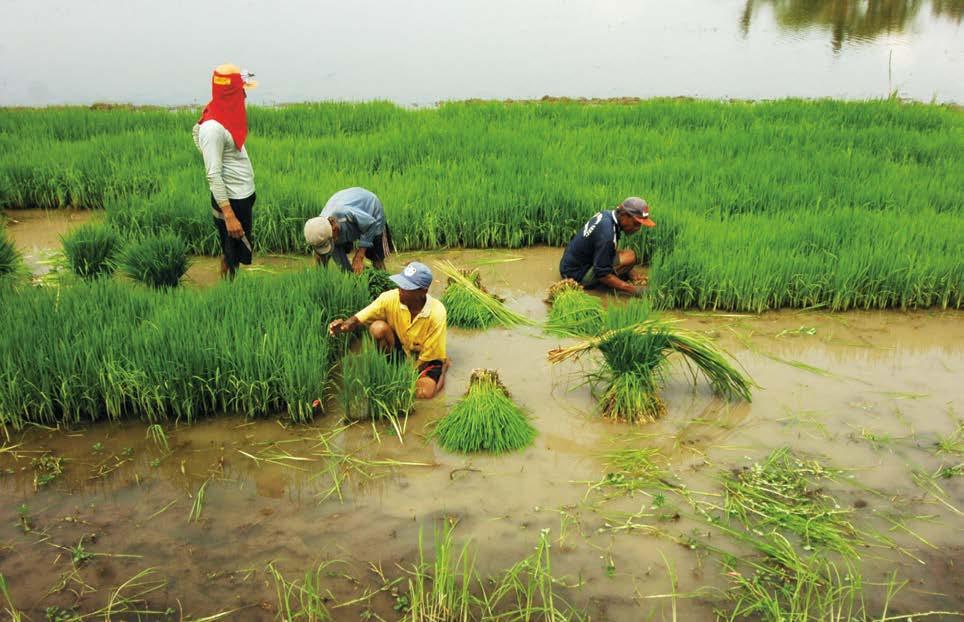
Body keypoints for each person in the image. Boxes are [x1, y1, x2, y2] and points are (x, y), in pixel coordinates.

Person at [328, 262, 448, 399]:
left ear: (423, 291)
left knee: (424, 394)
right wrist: (345, 325)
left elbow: (428, 356)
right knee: (377, 328)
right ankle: (388, 365)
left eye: (407, 287)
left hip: (425, 358)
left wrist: (406, 375)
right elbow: (362, 316)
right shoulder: (390, 298)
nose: (400, 290)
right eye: (401, 284)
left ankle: (443, 369)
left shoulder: (437, 312)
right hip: (401, 349)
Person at [193, 63, 258, 280]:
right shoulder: (212, 129)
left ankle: (231, 286)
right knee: (230, 256)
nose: (245, 97)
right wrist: (229, 215)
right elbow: (213, 174)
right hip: (232, 202)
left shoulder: (226, 114)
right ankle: (227, 293)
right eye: (242, 92)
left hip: (243, 196)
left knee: (237, 255)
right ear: (231, 94)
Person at [559, 197, 656, 295]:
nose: (638, 229)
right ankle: (599, 284)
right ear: (624, 215)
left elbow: (609, 249)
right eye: (636, 223)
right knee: (630, 256)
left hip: (568, 267)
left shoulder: (607, 215)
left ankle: (618, 276)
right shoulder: (607, 235)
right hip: (576, 277)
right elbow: (602, 274)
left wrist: (631, 273)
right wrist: (634, 290)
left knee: (626, 258)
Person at [304, 187, 392, 274]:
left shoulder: (345, 215)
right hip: (347, 214)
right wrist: (349, 275)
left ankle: (385, 283)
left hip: (371, 212)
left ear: (334, 229)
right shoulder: (320, 228)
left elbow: (371, 224)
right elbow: (339, 258)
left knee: (376, 257)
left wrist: (359, 256)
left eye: (331, 240)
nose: (333, 242)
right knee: (321, 258)